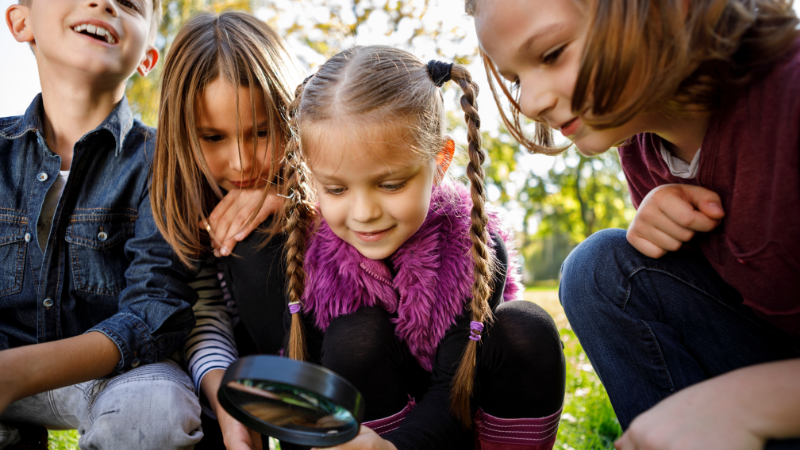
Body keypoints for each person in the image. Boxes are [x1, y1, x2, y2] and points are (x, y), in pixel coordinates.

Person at [467, 0, 800, 448]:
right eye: (516, 79)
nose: (529, 102)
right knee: (597, 269)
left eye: (552, 53)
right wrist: (663, 240)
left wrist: (742, 405)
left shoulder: (788, 96)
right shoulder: (642, 152)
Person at [274, 45, 565, 450]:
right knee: (354, 337)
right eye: (336, 189)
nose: (363, 213)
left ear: (441, 160)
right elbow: (301, 393)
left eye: (390, 184)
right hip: (366, 431)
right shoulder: (311, 256)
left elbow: (451, 390)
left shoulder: (473, 249)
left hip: (459, 423)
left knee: (526, 328)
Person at [0, 0, 204, 448]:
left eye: (129, 3)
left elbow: (154, 311)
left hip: (116, 373)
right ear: (20, 21)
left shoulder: (163, 162)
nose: (104, 3)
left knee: (157, 408)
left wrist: (17, 372)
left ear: (148, 57)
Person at [149, 11, 297, 450]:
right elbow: (204, 313)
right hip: (229, 368)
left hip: (322, 362)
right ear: (182, 133)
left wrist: (290, 204)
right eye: (213, 137)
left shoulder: (325, 176)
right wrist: (228, 397)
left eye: (263, 132)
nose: (243, 161)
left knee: (257, 245)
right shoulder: (179, 195)